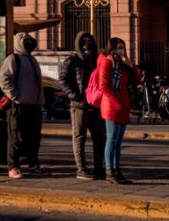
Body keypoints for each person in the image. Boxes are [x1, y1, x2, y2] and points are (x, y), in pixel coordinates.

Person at [58, 31, 106, 180]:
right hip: (79, 106)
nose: (87, 44)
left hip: (96, 105)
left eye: (89, 41)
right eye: (83, 41)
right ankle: (81, 168)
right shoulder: (72, 60)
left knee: (100, 137)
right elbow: (62, 80)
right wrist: (74, 95)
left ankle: (99, 167)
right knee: (79, 137)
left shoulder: (98, 60)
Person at [0, 32, 46, 179]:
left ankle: (33, 164)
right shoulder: (13, 59)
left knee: (34, 137)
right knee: (15, 136)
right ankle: (13, 166)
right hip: (19, 105)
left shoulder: (32, 59)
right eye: (26, 41)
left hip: (34, 105)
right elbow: (3, 77)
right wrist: (15, 95)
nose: (29, 43)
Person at [97, 37, 141, 184]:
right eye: (119, 47)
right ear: (112, 48)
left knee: (118, 141)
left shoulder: (123, 64)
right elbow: (103, 86)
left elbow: (138, 80)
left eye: (123, 46)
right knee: (111, 139)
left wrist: (131, 65)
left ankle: (117, 169)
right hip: (111, 106)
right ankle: (110, 170)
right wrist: (116, 101)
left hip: (123, 106)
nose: (122, 49)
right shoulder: (106, 62)